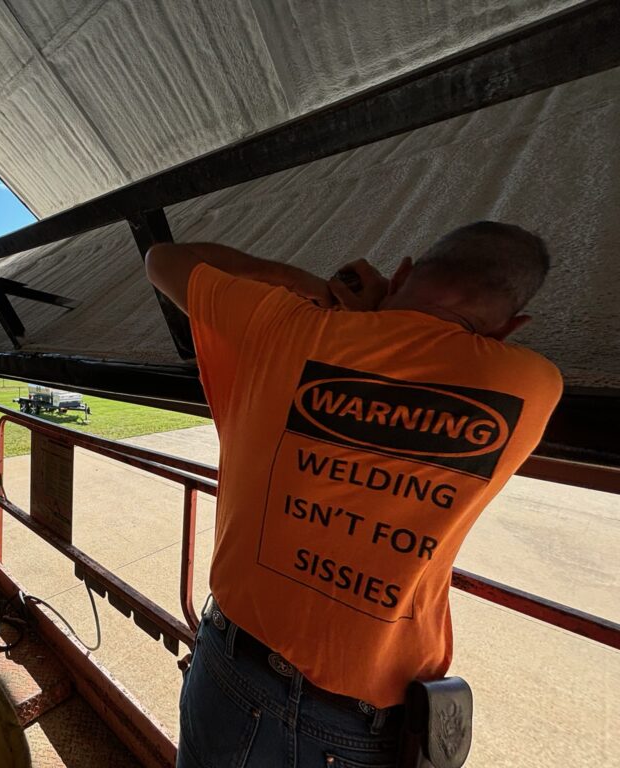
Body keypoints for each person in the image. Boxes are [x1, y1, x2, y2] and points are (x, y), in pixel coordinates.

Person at [144, 222, 562, 767]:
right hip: (360, 719)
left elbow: (163, 259)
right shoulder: (533, 384)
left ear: (405, 272)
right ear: (512, 326)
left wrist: (308, 285)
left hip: (231, 662)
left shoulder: (286, 324)